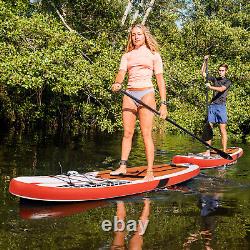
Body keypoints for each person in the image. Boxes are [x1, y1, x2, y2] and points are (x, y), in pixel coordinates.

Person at [111, 23, 168, 181]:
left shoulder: (154, 55)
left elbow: (160, 80)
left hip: (146, 94)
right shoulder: (127, 56)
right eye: (133, 34)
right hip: (129, 94)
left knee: (146, 134)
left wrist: (163, 104)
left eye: (139, 34)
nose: (136, 37)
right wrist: (117, 83)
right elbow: (121, 73)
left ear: (145, 36)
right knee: (127, 133)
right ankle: (123, 166)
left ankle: (150, 171)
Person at [201, 55, 232, 155]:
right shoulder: (215, 79)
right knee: (209, 128)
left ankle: (224, 151)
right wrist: (205, 61)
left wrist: (210, 87)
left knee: (222, 129)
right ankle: (207, 151)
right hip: (213, 106)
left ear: (226, 71)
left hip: (221, 107)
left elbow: (222, 89)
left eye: (222, 70)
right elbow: (203, 73)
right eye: (219, 70)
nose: (220, 72)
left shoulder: (227, 81)